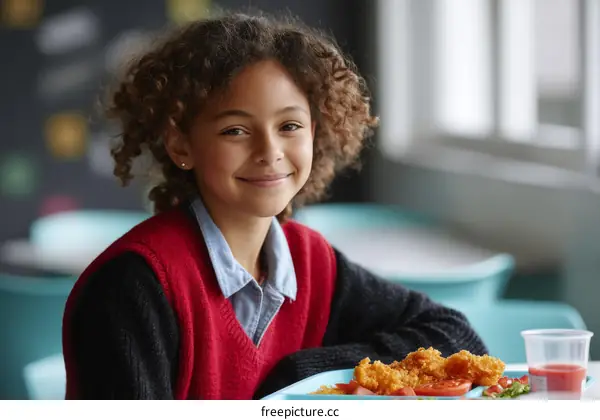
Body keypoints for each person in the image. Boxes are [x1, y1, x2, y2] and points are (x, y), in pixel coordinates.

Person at [61, 11, 487, 400]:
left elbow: (457, 336)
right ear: (180, 143)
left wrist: (305, 371)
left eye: (289, 126)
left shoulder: (311, 261)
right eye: (235, 130)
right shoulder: (134, 285)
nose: (270, 150)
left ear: (314, 133)